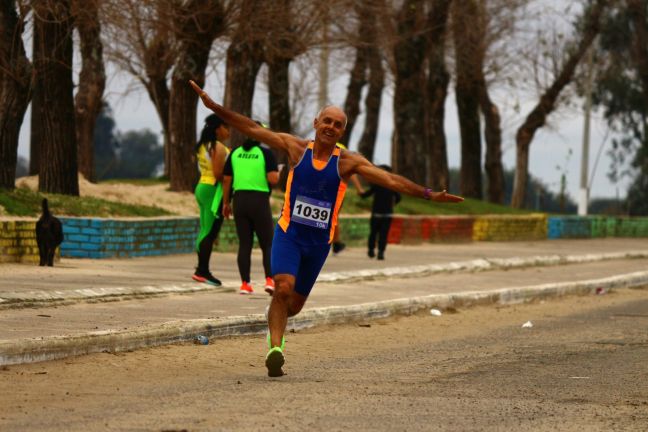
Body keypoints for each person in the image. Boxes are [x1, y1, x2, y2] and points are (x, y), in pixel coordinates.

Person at [190, 79, 464, 377]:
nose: (331, 127)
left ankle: (274, 324)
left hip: (319, 244)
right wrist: (216, 108)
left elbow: (391, 180)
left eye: (337, 124)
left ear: (342, 131)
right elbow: (253, 129)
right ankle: (276, 351)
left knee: (292, 305)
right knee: (282, 287)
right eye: (327, 121)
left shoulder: (348, 163)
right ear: (316, 122)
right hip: (289, 235)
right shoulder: (295, 148)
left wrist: (429, 194)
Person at [222, 125, 279, 295]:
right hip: (259, 200)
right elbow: (273, 179)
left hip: (239, 200)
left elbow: (226, 179)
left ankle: (245, 284)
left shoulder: (235, 153)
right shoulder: (266, 153)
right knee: (267, 243)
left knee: (245, 244)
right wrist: (280, 172)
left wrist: (226, 202)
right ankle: (269, 280)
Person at [192, 113, 230, 286]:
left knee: (204, 229)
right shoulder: (218, 147)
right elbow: (218, 174)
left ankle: (201, 269)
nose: (228, 131)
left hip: (202, 186)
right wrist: (232, 178)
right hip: (213, 190)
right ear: (218, 129)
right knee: (209, 232)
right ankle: (202, 271)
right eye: (226, 127)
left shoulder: (202, 145)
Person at [360, 164, 401, 260]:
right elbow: (399, 197)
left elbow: (366, 194)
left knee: (373, 233)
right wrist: (393, 204)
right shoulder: (392, 185)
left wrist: (361, 193)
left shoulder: (377, 184)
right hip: (387, 214)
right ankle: (381, 253)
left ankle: (371, 250)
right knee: (384, 234)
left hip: (376, 213)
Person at [330, 142, 365, 255]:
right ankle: (335, 243)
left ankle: (336, 243)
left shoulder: (315, 145)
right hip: (336, 189)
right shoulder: (341, 148)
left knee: (330, 216)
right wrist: (359, 188)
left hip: (318, 187)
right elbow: (351, 172)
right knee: (332, 216)